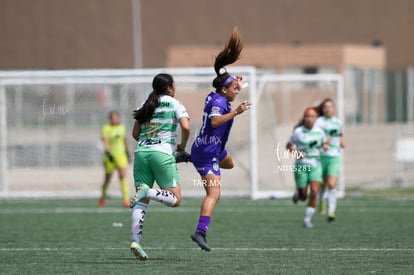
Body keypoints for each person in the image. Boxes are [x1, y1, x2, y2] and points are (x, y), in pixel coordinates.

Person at [190, 27, 251, 251]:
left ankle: (189, 157)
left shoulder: (215, 94)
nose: (238, 91)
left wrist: (236, 80)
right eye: (235, 88)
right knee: (214, 193)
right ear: (224, 90)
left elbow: (227, 85)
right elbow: (215, 122)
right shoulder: (219, 103)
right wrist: (237, 112)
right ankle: (200, 232)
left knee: (231, 163)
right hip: (208, 153)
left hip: (208, 149)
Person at [128, 73, 190, 260]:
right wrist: (182, 147)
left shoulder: (145, 104)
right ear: (169, 87)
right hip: (162, 154)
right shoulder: (174, 103)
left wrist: (149, 143)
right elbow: (186, 127)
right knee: (175, 199)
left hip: (141, 153)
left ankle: (135, 242)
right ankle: (148, 192)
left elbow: (135, 133)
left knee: (140, 203)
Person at [287, 108, 328, 228]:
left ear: (316, 119)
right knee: (303, 196)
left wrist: (325, 146)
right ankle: (297, 194)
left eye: (312, 116)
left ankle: (307, 220)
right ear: (304, 118)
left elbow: (324, 143)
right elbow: (289, 145)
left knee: (314, 192)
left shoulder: (320, 132)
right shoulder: (298, 132)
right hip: (301, 166)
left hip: (316, 166)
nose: (309, 119)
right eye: (307, 116)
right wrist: (297, 153)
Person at [314, 98, 345, 222]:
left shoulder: (338, 122)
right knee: (322, 184)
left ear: (334, 108)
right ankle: (321, 200)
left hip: (334, 157)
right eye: (325, 107)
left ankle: (331, 211)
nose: (328, 109)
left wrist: (342, 141)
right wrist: (323, 143)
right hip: (321, 157)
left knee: (332, 184)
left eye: (330, 106)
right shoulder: (319, 122)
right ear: (323, 109)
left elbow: (340, 134)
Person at [98, 111, 130, 208]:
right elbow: (105, 141)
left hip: (121, 155)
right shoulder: (106, 128)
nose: (114, 119)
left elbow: (124, 140)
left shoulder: (122, 128)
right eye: (112, 118)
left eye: (116, 117)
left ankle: (126, 200)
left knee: (123, 176)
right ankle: (102, 197)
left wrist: (127, 152)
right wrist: (108, 152)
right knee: (108, 179)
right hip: (110, 156)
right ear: (110, 119)